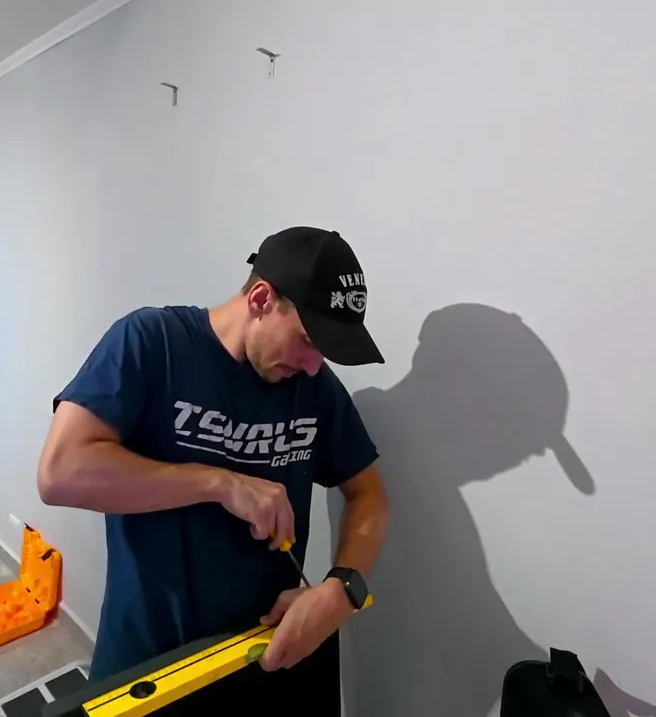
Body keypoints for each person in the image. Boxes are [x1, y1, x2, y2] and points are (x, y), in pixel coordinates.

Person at [38, 226, 391, 713]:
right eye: (308, 340)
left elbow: (369, 496)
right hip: (147, 667)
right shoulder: (152, 343)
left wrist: (340, 591)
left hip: (258, 652)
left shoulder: (315, 388)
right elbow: (59, 472)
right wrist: (219, 484)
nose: (314, 365)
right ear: (261, 299)